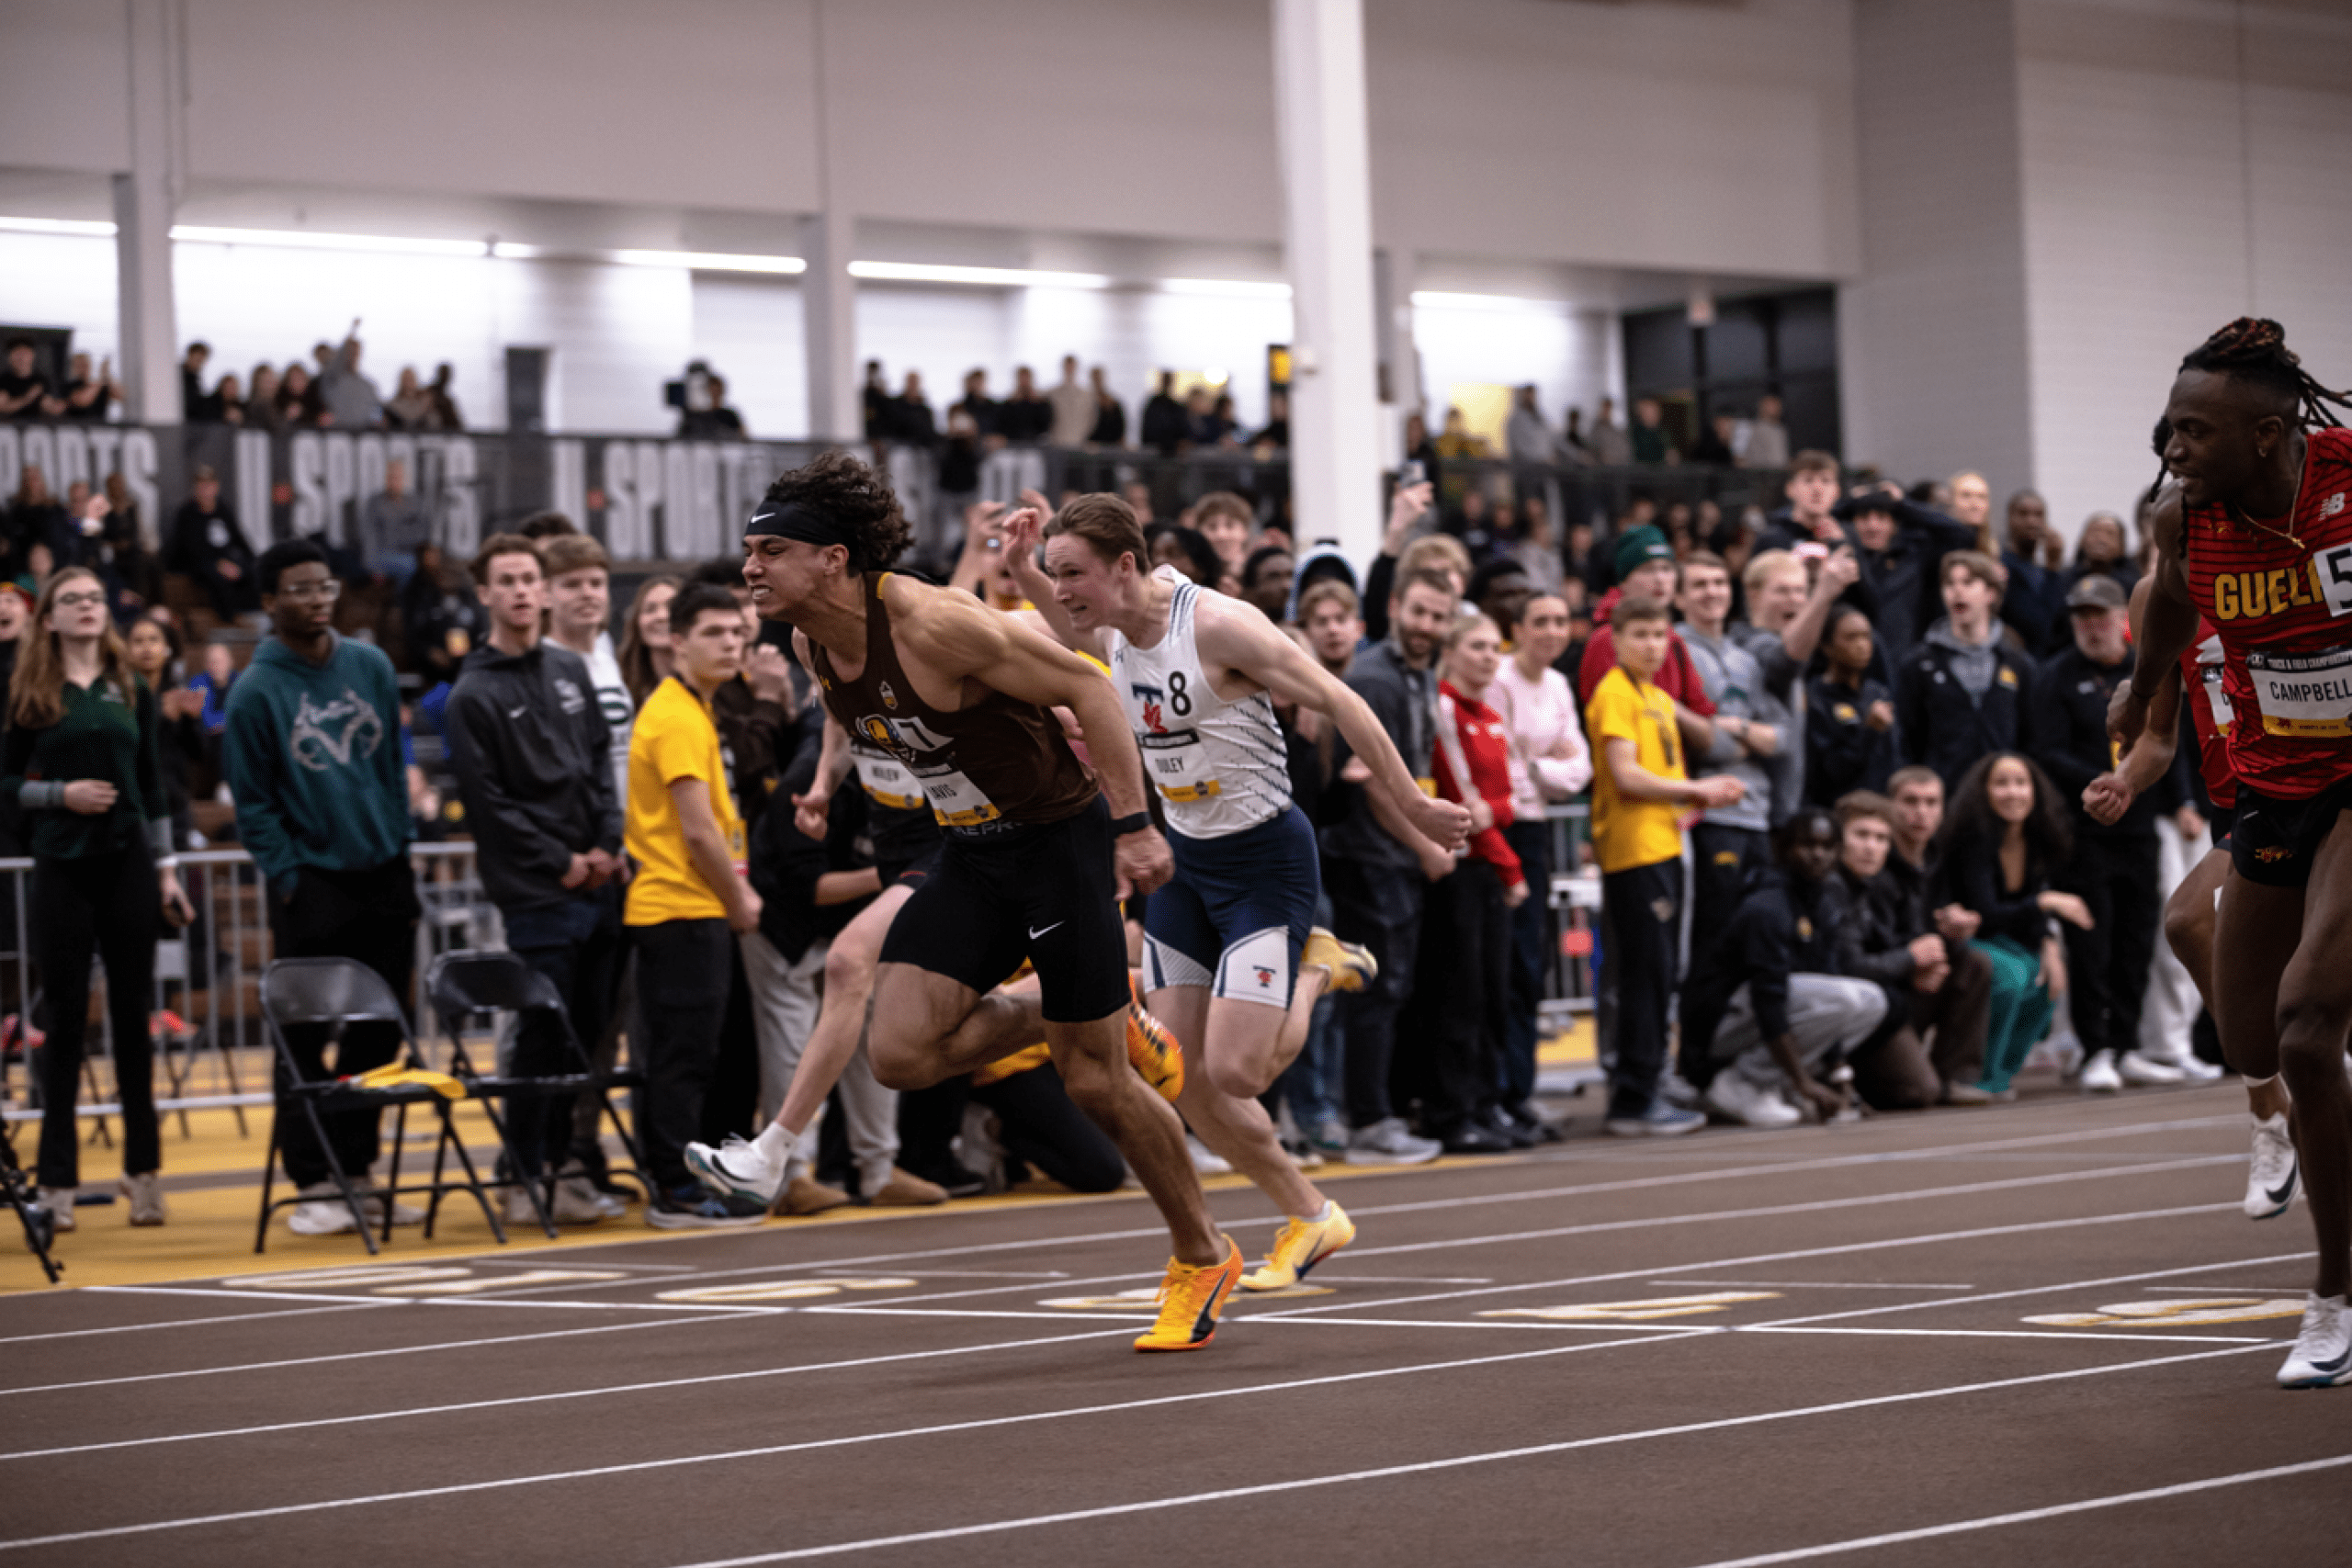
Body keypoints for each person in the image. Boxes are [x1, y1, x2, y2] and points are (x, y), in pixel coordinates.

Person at [708, 453, 1246, 1351]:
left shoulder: (935, 622)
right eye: (748, 550)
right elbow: (858, 704)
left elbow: (1088, 688)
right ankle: (1074, 1012)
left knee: (1094, 1082)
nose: (749, 567)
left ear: (834, 560)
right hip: (971, 847)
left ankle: (1203, 1255)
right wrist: (823, 777)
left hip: (1057, 841)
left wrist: (1132, 827)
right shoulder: (810, 641)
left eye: (770, 549)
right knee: (899, 1052)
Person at [1002, 491, 1461, 1278]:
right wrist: (1017, 568)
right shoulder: (1111, 622)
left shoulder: (1218, 625)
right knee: (1186, 1076)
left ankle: (1320, 965)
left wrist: (1414, 803)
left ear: (1125, 566)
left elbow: (1342, 699)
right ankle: (1311, 1215)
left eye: (1071, 572)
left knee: (1243, 1071)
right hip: (1186, 863)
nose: (1062, 591)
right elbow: (1070, 617)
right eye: (1054, 574)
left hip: (1264, 862)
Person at [2111, 317, 2352, 1386]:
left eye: (2195, 431)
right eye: (2169, 428)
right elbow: (2165, 612)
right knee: (2250, 1024)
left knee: (2307, 1029)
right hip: (2271, 788)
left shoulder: (2345, 479)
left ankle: (2334, 1296)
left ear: (2266, 436)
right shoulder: (2187, 516)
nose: (2173, 447)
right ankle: (2281, 1134)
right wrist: (2136, 690)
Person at [223, 539, 424, 1235]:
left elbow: (393, 768)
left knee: (381, 1030)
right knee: (303, 1041)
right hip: (312, 885)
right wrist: (288, 877)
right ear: (270, 602)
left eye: (324, 585)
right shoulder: (254, 690)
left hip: (384, 873)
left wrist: (400, 841)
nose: (316, 598)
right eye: (300, 588)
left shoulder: (368, 664)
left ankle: (358, 1171)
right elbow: (252, 804)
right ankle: (313, 1181)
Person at [2085, 583, 2295, 1218]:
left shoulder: (2282, 563)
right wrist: (2123, 780)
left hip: (2305, 782)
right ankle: (2270, 1110)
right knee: (2189, 923)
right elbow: (2157, 735)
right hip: (2238, 808)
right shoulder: (2156, 596)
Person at [445, 536, 627, 1227]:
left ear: (543, 592)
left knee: (584, 1038)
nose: (522, 590)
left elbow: (597, 766)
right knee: (541, 1038)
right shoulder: (472, 693)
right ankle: (522, 1176)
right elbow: (492, 807)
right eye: (507, 581)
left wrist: (607, 843)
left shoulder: (568, 669)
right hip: (539, 893)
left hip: (599, 880)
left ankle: (561, 1170)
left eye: (530, 578)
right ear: (485, 595)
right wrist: (563, 860)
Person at [4, 569, 192, 1228]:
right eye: (70, 600)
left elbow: (153, 786)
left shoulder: (130, 687)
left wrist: (168, 869)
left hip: (129, 862)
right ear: (48, 618)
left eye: (93, 599)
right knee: (62, 1022)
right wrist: (60, 795)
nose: (86, 608)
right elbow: (4, 783)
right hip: (61, 862)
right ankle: (55, 1183)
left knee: (133, 1014)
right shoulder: (29, 689)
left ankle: (143, 1173)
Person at [620, 581, 769, 1227]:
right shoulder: (676, 714)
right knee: (682, 1058)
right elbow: (698, 828)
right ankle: (673, 1188)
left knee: (703, 1054)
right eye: (713, 632)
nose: (730, 643)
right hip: (678, 907)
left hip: (693, 906)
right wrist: (738, 895)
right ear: (676, 641)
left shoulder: (694, 707)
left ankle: (690, 1180)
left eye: (736, 631)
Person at [1589, 596, 1741, 1134]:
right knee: (1644, 975)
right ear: (1618, 639)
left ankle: (1647, 1084)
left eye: (1660, 636)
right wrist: (1698, 789)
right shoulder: (1615, 693)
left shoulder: (1654, 695)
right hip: (1635, 851)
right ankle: (1633, 1096)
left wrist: (1689, 800)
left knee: (1658, 974)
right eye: (1641, 635)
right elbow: (1626, 775)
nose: (1652, 646)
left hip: (1663, 846)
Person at [2029, 574, 2181, 1092]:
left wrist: (2178, 801)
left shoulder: (2148, 669)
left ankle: (2127, 1044)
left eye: (2100, 617)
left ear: (2124, 619)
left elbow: (2169, 737)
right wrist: (2097, 783)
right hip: (2084, 830)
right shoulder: (2055, 676)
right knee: (2093, 940)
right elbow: (2044, 751)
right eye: (2081, 619)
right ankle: (2095, 1048)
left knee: (2137, 938)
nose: (2091, 628)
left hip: (2140, 826)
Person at [1681, 807, 1885, 1127]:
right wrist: (1803, 1081)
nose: (1817, 855)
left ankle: (1777, 1081)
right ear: (1785, 849)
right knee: (1842, 998)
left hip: (1764, 1016)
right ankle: (1741, 1083)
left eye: (1827, 846)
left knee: (1872, 1001)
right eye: (1807, 845)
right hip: (1721, 1025)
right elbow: (1769, 1002)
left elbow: (1828, 981)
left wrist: (1842, 1080)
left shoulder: (1824, 904)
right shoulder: (1767, 906)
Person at [1418, 611, 1531, 1150]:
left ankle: (1486, 1103)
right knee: (1458, 995)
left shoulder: (1489, 714)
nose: (1489, 656)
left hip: (1489, 865)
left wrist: (1497, 821)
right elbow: (1467, 806)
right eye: (1478, 647)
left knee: (1490, 993)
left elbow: (1506, 802)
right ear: (1453, 651)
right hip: (1463, 867)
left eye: (1495, 647)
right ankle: (1451, 1109)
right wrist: (1510, 865)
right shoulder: (1443, 707)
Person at [1932, 751, 2086, 1099]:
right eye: (2001, 783)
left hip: (2009, 941)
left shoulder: (2037, 837)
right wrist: (2047, 903)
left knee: (2047, 980)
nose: (2012, 792)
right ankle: (1973, 1075)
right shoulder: (1973, 837)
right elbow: (1987, 912)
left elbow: (2029, 912)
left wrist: (2048, 946)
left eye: (2020, 783)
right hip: (1969, 939)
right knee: (2013, 976)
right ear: (1983, 791)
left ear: (2035, 791)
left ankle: (2000, 1075)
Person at [1489, 592, 1589, 1122]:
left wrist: (1538, 768)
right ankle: (1496, 1090)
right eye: (1540, 621)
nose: (1552, 631)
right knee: (1499, 964)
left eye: (1559, 621)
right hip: (1498, 830)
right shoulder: (1498, 677)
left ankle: (1521, 1090)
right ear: (1520, 628)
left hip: (1535, 833)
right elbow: (1503, 764)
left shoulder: (1558, 685)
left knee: (1531, 963)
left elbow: (1580, 767)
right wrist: (1542, 766)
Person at [1832, 792, 1994, 1108]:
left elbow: (1900, 940)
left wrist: (1932, 957)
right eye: (1861, 835)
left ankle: (1954, 1076)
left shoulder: (1877, 881)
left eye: (1880, 838)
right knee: (1917, 1091)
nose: (1871, 847)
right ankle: (1847, 1079)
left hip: (1884, 999)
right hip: (1855, 1009)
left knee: (1971, 961)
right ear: (1840, 839)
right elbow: (1848, 967)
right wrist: (1911, 959)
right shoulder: (1832, 887)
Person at [1677, 550, 1785, 1012]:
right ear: (1680, 597)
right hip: (1710, 815)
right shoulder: (1672, 651)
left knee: (1756, 940)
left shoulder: (1746, 660)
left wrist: (1734, 729)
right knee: (1712, 939)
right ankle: (1698, 1054)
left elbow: (1782, 738)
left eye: (1719, 583)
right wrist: (1740, 738)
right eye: (1699, 584)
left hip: (1757, 815)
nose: (1711, 593)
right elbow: (1709, 749)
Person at [1896, 551, 2034, 790]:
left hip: (2001, 796)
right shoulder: (1918, 664)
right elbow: (1907, 741)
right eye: (1949, 583)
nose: (1957, 591)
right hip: (1940, 798)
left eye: (1968, 582)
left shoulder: (2018, 663)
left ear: (1990, 593)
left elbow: (2030, 739)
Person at [1834, 482, 1979, 667]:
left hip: (1907, 664)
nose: (1872, 526)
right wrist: (1851, 503)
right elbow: (1818, 519)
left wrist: (1903, 505)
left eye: (1881, 517)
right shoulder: (1845, 561)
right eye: (1863, 517)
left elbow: (1962, 535)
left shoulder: (1914, 556)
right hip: (1858, 666)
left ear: (1894, 524)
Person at [1805, 606, 1897, 807]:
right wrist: (1870, 731)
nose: (1862, 645)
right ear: (1826, 645)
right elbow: (1831, 771)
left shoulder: (1878, 693)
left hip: (1881, 807)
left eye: (1866, 636)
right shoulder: (1815, 698)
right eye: (1851, 637)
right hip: (1838, 809)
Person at [165, 466, 260, 622]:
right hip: (197, 563)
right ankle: (229, 620)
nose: (205, 490)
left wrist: (252, 560)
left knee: (248, 571)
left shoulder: (222, 510)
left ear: (216, 487)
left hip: (225, 560)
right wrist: (219, 565)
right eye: (201, 486)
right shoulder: (187, 513)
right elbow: (192, 550)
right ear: (195, 489)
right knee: (217, 578)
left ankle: (252, 615)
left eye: (209, 485)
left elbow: (239, 539)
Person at [359, 458, 431, 581]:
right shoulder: (375, 502)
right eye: (391, 477)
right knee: (409, 565)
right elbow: (369, 536)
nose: (394, 481)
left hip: (410, 552)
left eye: (398, 477)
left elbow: (423, 532)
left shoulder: (415, 502)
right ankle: (403, 599)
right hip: (382, 554)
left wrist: (404, 537)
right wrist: (376, 567)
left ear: (405, 479)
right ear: (386, 478)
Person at [617, 574, 682, 705]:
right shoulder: (621, 688)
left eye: (672, 607)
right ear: (637, 625)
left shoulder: (711, 687)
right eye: (650, 609)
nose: (662, 616)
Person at [1743, 395, 1790, 469]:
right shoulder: (1753, 428)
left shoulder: (1780, 429)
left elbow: (1781, 458)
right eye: (1770, 405)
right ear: (1761, 407)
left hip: (1780, 472)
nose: (1774, 408)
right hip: (1761, 473)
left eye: (1776, 405)